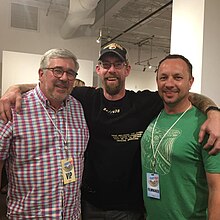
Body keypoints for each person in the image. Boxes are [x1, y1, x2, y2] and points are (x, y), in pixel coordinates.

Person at [0, 43, 220, 220]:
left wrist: (213, 112)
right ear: (98, 70)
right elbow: (55, 85)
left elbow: (187, 96)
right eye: (106, 64)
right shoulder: (82, 99)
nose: (111, 70)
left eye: (118, 64)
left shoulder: (145, 102)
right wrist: (16, 88)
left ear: (127, 69)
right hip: (87, 206)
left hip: (130, 209)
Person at [0, 48, 89, 219]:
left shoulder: (78, 107)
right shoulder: (14, 108)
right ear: (41, 73)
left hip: (71, 215)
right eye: (57, 71)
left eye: (70, 73)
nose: (64, 78)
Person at [141, 54, 220, 219]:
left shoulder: (207, 126)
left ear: (190, 82)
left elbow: (217, 189)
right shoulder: (151, 112)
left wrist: (214, 113)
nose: (169, 84)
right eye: (163, 77)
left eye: (177, 77)